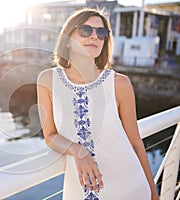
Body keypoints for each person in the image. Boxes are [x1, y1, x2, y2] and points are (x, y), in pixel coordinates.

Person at [37, 8, 159, 200]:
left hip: (130, 187)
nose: (95, 36)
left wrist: (153, 193)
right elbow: (50, 136)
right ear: (68, 39)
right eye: (86, 30)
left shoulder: (119, 83)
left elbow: (135, 142)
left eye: (102, 33)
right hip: (79, 190)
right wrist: (78, 151)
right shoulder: (47, 80)